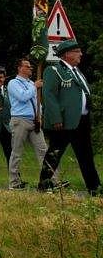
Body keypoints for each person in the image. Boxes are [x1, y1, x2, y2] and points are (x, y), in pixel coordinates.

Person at [39, 40, 101, 195]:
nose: (81, 54)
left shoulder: (76, 71)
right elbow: (49, 96)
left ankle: (94, 187)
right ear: (67, 54)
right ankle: (44, 183)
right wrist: (56, 118)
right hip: (64, 121)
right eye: (77, 51)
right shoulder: (54, 70)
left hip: (81, 119)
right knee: (55, 152)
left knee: (85, 154)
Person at [7, 57, 47, 190]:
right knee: (17, 151)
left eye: (30, 66)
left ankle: (50, 179)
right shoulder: (13, 83)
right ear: (20, 68)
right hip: (20, 120)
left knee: (43, 150)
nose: (30, 68)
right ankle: (14, 182)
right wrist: (35, 87)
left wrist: (39, 116)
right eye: (27, 66)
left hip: (34, 120)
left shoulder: (31, 83)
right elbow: (22, 97)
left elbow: (37, 102)